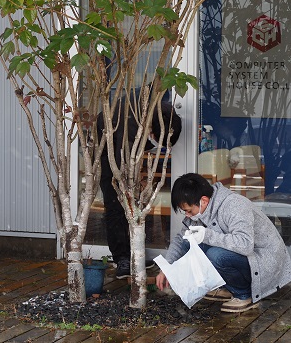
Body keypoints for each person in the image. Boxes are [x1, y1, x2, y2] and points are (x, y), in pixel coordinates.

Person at [156, 173, 291, 313]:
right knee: (188, 242)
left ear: (203, 200)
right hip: (243, 257)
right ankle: (227, 287)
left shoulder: (234, 205)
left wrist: (207, 235)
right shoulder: (199, 211)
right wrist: (166, 267)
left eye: (189, 211)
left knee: (216, 255)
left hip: (264, 261)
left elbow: (245, 245)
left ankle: (244, 295)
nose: (188, 216)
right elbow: (181, 239)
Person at [97, 98, 182, 279]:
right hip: (109, 156)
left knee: (132, 208)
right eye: (157, 138)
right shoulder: (129, 122)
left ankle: (134, 254)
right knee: (115, 207)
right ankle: (122, 259)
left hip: (124, 152)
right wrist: (131, 182)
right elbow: (120, 159)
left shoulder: (157, 113)